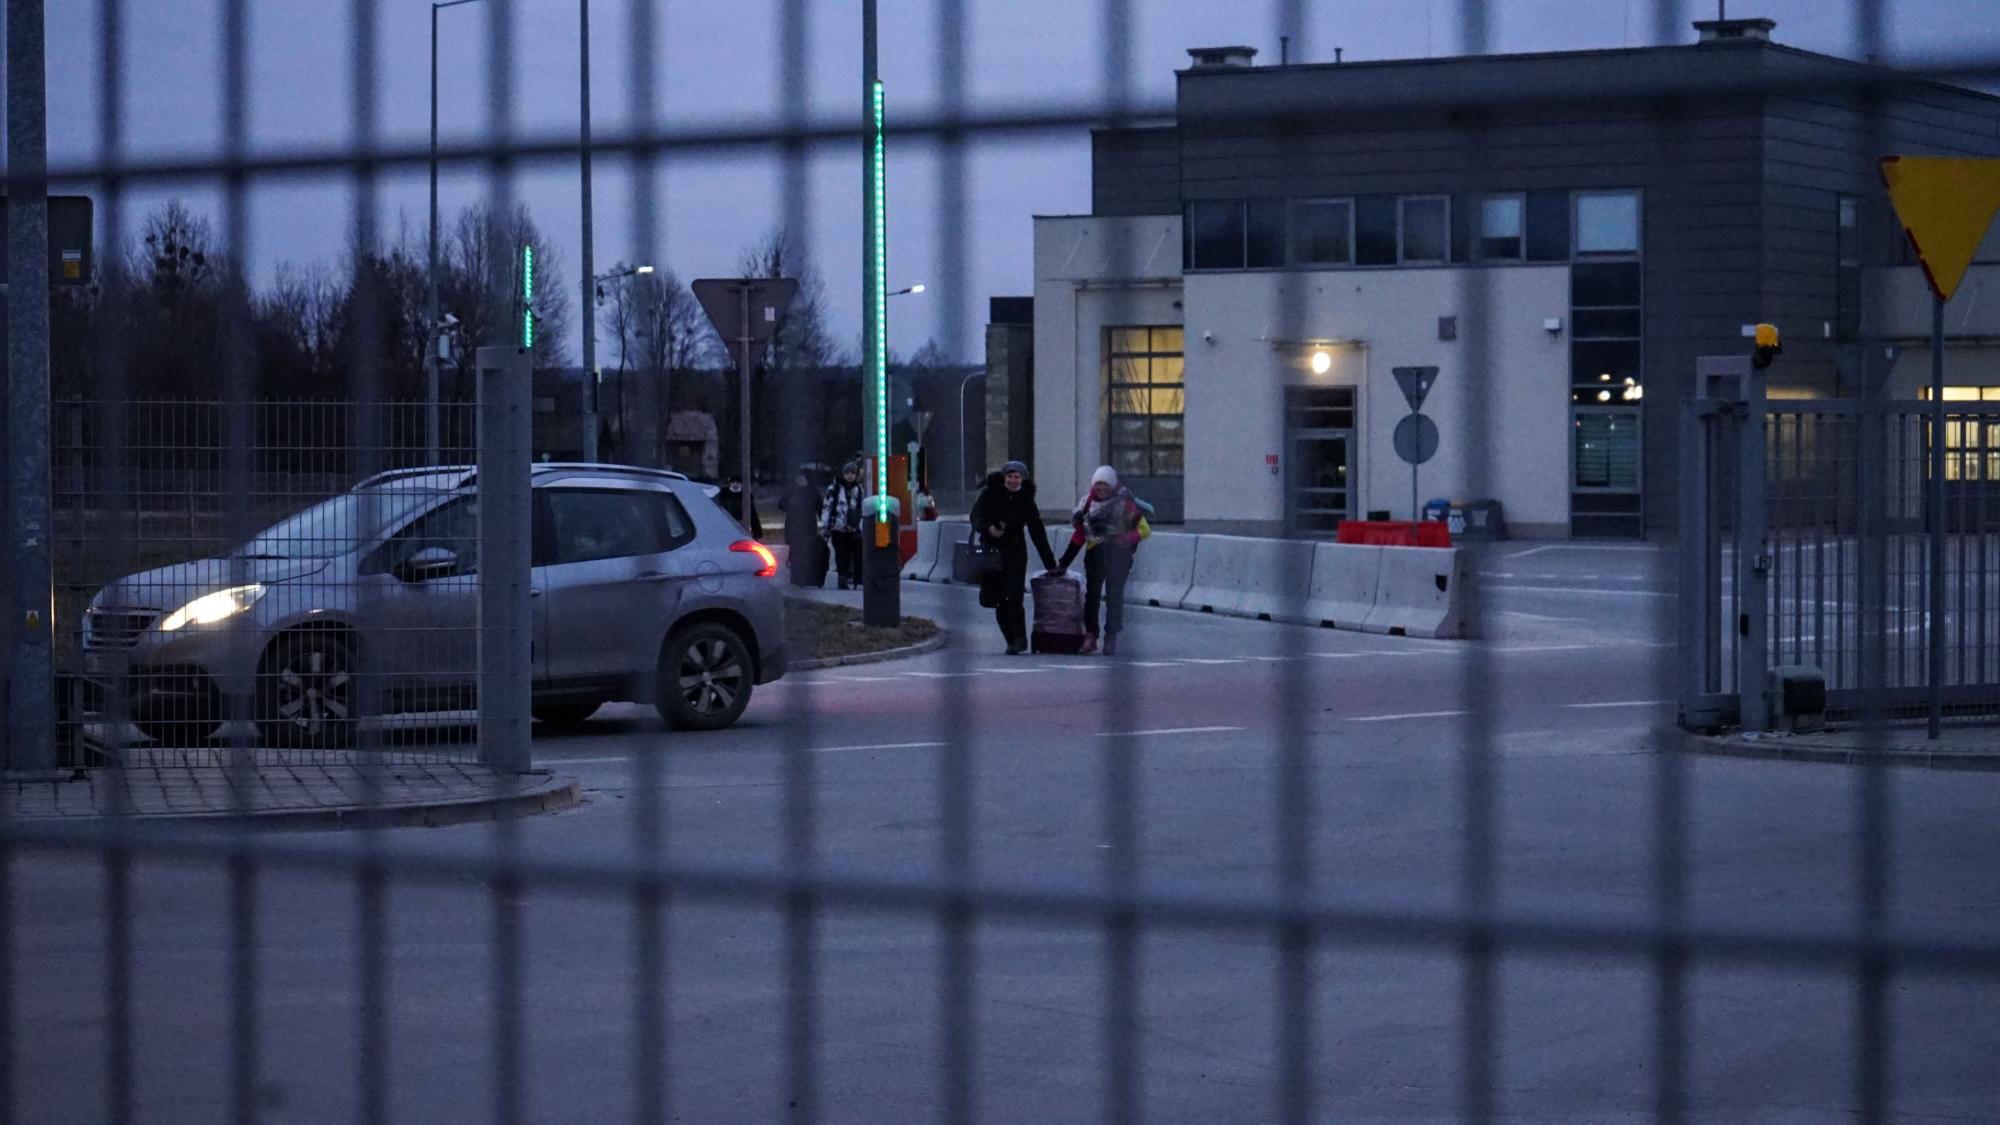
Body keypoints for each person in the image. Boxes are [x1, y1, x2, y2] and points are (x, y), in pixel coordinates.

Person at [1055, 465, 1150, 656]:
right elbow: (1079, 537)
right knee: (1092, 597)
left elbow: (1144, 530)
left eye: (1105, 484)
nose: (1101, 488)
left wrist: (1124, 540)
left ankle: (1111, 636)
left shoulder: (1125, 504)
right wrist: (1062, 564)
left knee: (1114, 597)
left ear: (1113, 485)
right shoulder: (1087, 505)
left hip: (1119, 556)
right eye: (1098, 484)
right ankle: (1091, 636)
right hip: (1095, 555)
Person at [969, 460, 1058, 655]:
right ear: (1004, 478)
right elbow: (975, 516)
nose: (1013, 480)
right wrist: (988, 529)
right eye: (1010, 476)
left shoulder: (1025, 500)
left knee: (1014, 597)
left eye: (1017, 477)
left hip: (1015, 554)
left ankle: (1020, 638)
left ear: (1022, 479)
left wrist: (1050, 563)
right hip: (992, 554)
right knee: (998, 600)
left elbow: (1037, 531)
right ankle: (1009, 639)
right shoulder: (990, 495)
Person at [820, 460, 866, 590]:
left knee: (857, 554)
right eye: (847, 473)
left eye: (852, 473)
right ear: (843, 474)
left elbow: (861, 508)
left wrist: (860, 524)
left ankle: (857, 579)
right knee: (841, 554)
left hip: (854, 528)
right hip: (838, 528)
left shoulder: (858, 489)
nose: (850, 476)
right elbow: (827, 507)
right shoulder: (834, 488)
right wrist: (825, 525)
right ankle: (843, 578)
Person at [778, 470, 824, 587]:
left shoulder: (813, 491)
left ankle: (807, 577)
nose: (800, 480)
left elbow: (820, 508)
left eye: (802, 478)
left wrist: (824, 522)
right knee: (794, 553)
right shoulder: (791, 491)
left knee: (808, 552)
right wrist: (791, 506)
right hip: (793, 527)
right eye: (799, 478)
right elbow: (781, 504)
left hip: (808, 526)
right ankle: (795, 577)